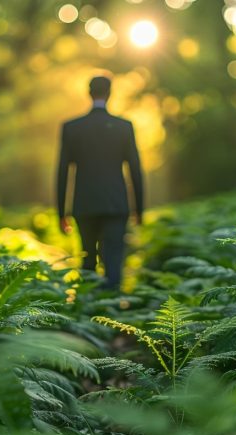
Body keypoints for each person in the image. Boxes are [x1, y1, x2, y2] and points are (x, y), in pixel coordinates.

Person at [56, 75, 144, 290]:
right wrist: (139, 209)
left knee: (87, 259)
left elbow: (62, 171)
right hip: (116, 204)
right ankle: (112, 311)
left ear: (89, 93)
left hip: (84, 204)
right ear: (110, 93)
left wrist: (61, 212)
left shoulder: (72, 128)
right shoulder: (124, 127)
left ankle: (88, 312)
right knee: (113, 260)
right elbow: (135, 169)